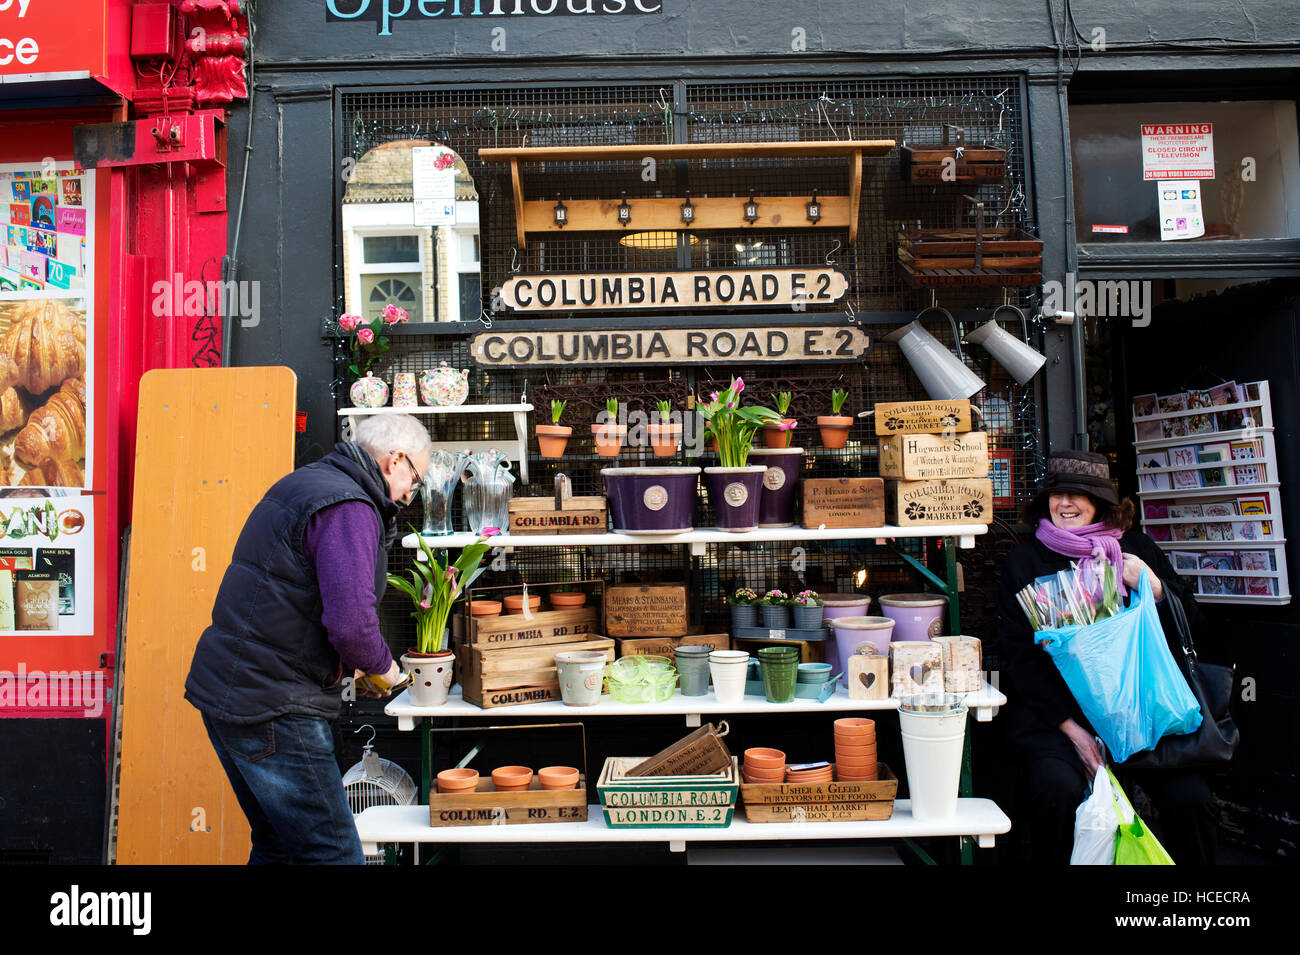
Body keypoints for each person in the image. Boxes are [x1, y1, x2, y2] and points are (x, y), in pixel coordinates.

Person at [185, 414, 431, 864]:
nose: (407, 497)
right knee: (332, 853)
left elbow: (296, 592)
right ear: (395, 460)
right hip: (275, 703)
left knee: (279, 846)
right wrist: (383, 667)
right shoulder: (350, 507)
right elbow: (352, 624)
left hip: (230, 689)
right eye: (413, 481)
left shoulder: (305, 484)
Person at [995, 449, 1218, 864]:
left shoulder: (1135, 549)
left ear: (1101, 502)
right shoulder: (1024, 562)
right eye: (1056, 494)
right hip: (1061, 719)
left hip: (1144, 714)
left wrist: (1153, 588)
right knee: (1055, 789)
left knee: (1191, 799)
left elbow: (1194, 625)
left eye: (1077, 494)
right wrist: (1073, 732)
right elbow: (1018, 658)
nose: (1064, 504)